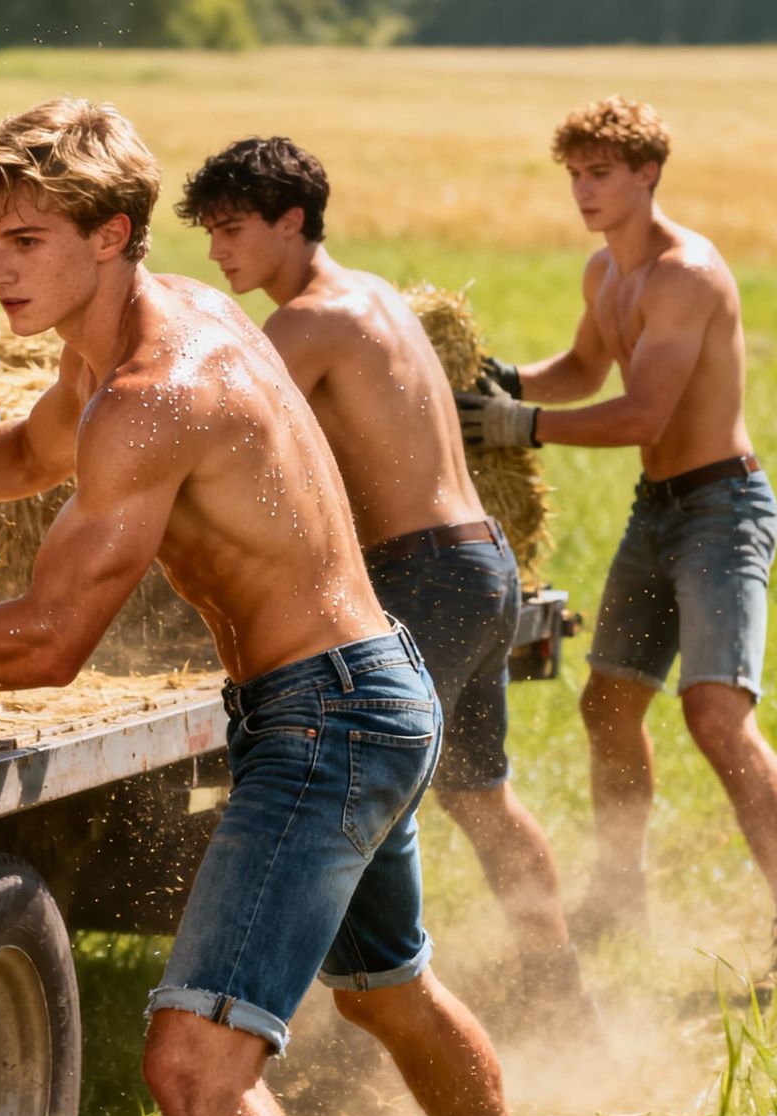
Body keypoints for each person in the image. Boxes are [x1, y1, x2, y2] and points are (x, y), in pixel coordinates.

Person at [0, 99, 551, 1116]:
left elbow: (52, 640)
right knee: (384, 990)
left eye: (26, 243)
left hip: (327, 720)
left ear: (110, 234)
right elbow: (30, 450)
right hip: (363, 692)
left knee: (195, 1069)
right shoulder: (144, 334)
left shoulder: (158, 395)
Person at [176, 135, 596, 1033]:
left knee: (357, 788)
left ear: (291, 222)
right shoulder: (378, 298)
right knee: (480, 797)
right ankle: (560, 996)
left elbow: (210, 432)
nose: (217, 254)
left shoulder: (307, 322)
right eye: (209, 234)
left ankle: (363, 1025)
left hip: (422, 576)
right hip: (482, 564)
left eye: (232, 230)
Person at [456, 96, 777, 1003]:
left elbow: (642, 413)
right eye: (575, 175)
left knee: (715, 715)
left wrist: (521, 423)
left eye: (601, 174)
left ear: (647, 175)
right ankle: (621, 896)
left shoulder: (685, 274)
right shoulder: (607, 272)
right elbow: (585, 372)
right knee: (608, 703)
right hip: (655, 509)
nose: (584, 191)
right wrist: (491, 381)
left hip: (721, 507)